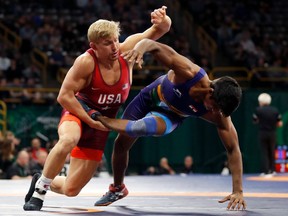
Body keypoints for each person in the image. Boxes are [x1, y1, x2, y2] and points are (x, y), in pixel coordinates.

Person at [23, 6, 171, 211]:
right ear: (94, 46)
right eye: (107, 43)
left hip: (100, 123)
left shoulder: (127, 51)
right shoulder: (86, 61)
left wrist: (162, 19)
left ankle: (42, 178)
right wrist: (88, 118)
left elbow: (161, 29)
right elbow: (64, 96)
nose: (114, 47)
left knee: (71, 189)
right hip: (77, 112)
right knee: (68, 140)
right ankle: (40, 192)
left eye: (115, 40)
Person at [93, 39, 246, 210]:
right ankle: (118, 188)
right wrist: (138, 50)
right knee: (120, 145)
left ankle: (99, 118)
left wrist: (238, 190)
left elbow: (233, 149)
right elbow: (152, 44)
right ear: (210, 92)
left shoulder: (220, 115)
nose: (216, 113)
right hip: (150, 97)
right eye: (216, 107)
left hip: (171, 116)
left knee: (139, 128)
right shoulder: (188, 72)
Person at [253, 93, 283, 177]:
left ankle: (265, 171)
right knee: (272, 151)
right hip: (272, 133)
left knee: (264, 151)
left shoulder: (258, 110)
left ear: (261, 102)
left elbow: (255, 121)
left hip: (263, 133)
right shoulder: (275, 110)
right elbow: (280, 123)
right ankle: (272, 170)